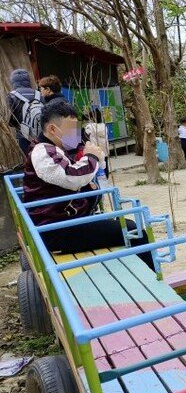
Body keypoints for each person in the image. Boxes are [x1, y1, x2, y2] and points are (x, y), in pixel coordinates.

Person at [23, 101, 154, 269]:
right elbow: (71, 177)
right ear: (53, 129)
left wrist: (92, 161)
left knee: (124, 226)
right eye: (71, 129)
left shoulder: (53, 149)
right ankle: (152, 276)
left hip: (65, 220)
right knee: (133, 230)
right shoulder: (43, 152)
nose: (75, 133)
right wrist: (91, 157)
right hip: (58, 230)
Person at [6, 69, 38, 155]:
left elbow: (11, 117)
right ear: (28, 79)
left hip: (22, 134)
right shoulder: (38, 94)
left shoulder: (11, 96)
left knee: (29, 158)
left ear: (13, 81)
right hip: (40, 134)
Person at [84, 107, 110, 178]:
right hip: (104, 149)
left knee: (95, 166)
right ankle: (106, 177)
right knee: (105, 165)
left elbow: (85, 136)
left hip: (94, 150)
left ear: (92, 118)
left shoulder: (89, 126)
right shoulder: (104, 126)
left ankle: (98, 179)